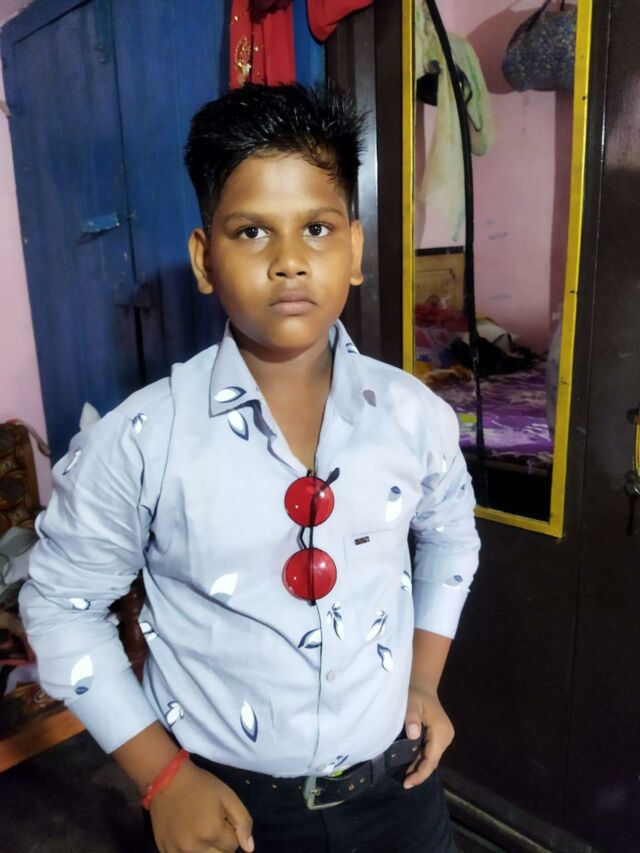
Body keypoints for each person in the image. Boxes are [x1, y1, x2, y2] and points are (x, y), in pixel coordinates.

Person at [20, 83, 480, 853]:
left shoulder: (413, 416)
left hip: (399, 790)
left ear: (355, 250)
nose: (290, 261)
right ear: (205, 260)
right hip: (228, 806)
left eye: (317, 228)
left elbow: (452, 535)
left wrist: (424, 678)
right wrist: (163, 777)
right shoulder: (140, 442)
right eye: (252, 231)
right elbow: (63, 607)